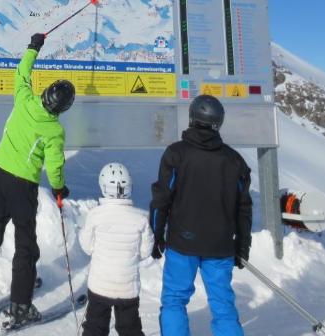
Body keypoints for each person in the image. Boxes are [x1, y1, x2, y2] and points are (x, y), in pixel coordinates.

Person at [0, 32, 75, 329]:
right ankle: (21, 306)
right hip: (22, 186)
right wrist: (60, 188)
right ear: (62, 109)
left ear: (46, 92)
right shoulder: (54, 132)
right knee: (26, 244)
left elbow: (22, 72)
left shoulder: (24, 100)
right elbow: (55, 166)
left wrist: (33, 47)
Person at [150, 94, 252, 336]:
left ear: (192, 118)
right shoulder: (235, 161)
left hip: (182, 242)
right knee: (222, 305)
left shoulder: (176, 154)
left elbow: (161, 198)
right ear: (219, 122)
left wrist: (157, 234)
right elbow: (244, 208)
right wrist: (242, 245)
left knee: (174, 300)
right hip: (220, 246)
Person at [77, 162, 154, 336]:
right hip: (127, 287)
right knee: (130, 329)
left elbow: (87, 246)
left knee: (95, 327)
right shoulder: (140, 218)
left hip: (99, 285)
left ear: (103, 187)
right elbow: (145, 250)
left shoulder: (95, 215)